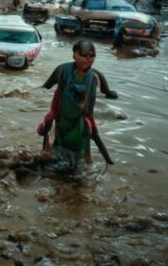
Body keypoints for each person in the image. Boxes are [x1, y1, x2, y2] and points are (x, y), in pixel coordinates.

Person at [36, 39, 116, 171]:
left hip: (81, 118)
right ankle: (44, 154)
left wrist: (110, 95)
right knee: (51, 137)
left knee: (79, 157)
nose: (88, 59)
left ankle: (102, 162)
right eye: (83, 55)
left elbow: (107, 92)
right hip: (61, 115)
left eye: (92, 55)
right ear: (74, 55)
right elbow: (45, 87)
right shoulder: (62, 70)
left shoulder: (96, 76)